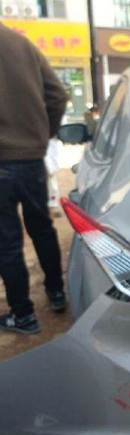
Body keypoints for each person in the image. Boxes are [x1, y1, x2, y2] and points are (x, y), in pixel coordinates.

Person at [0, 23, 69, 334]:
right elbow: (58, 95)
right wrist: (43, 135)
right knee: (42, 228)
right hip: (31, 160)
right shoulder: (22, 44)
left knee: (7, 242)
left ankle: (24, 316)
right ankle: (56, 293)